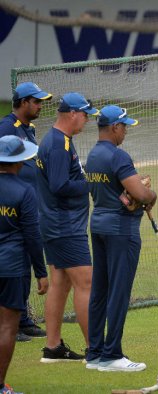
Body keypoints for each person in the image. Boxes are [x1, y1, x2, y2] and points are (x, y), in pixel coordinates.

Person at [84, 106, 156, 372]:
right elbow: (139, 192)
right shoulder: (118, 155)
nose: (125, 130)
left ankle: (94, 353)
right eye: (124, 126)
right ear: (114, 127)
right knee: (118, 290)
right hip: (121, 230)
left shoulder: (92, 154)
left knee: (100, 290)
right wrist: (151, 194)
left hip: (99, 224)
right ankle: (112, 355)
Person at [36, 92, 99, 363]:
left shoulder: (57, 140)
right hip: (65, 227)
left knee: (60, 284)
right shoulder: (59, 144)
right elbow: (59, 185)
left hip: (54, 224)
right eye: (85, 114)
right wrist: (90, 184)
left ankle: (53, 347)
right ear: (72, 113)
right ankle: (95, 350)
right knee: (86, 283)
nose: (86, 120)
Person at [0, 82, 52, 342]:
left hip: (29, 204)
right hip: (13, 206)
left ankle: (22, 318)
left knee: (23, 260)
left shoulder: (27, 129)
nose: (40, 105)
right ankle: (14, 321)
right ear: (22, 102)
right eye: (36, 101)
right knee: (13, 263)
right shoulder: (7, 129)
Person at [0, 136, 45, 394]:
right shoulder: (24, 191)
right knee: (7, 327)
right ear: (18, 161)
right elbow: (32, 235)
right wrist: (41, 272)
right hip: (12, 267)